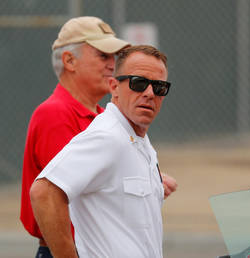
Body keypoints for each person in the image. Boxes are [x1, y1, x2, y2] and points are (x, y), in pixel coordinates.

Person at [20, 16, 177, 258]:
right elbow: (53, 194)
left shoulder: (114, 122)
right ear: (69, 60)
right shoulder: (62, 115)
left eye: (114, 57)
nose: (111, 64)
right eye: (103, 55)